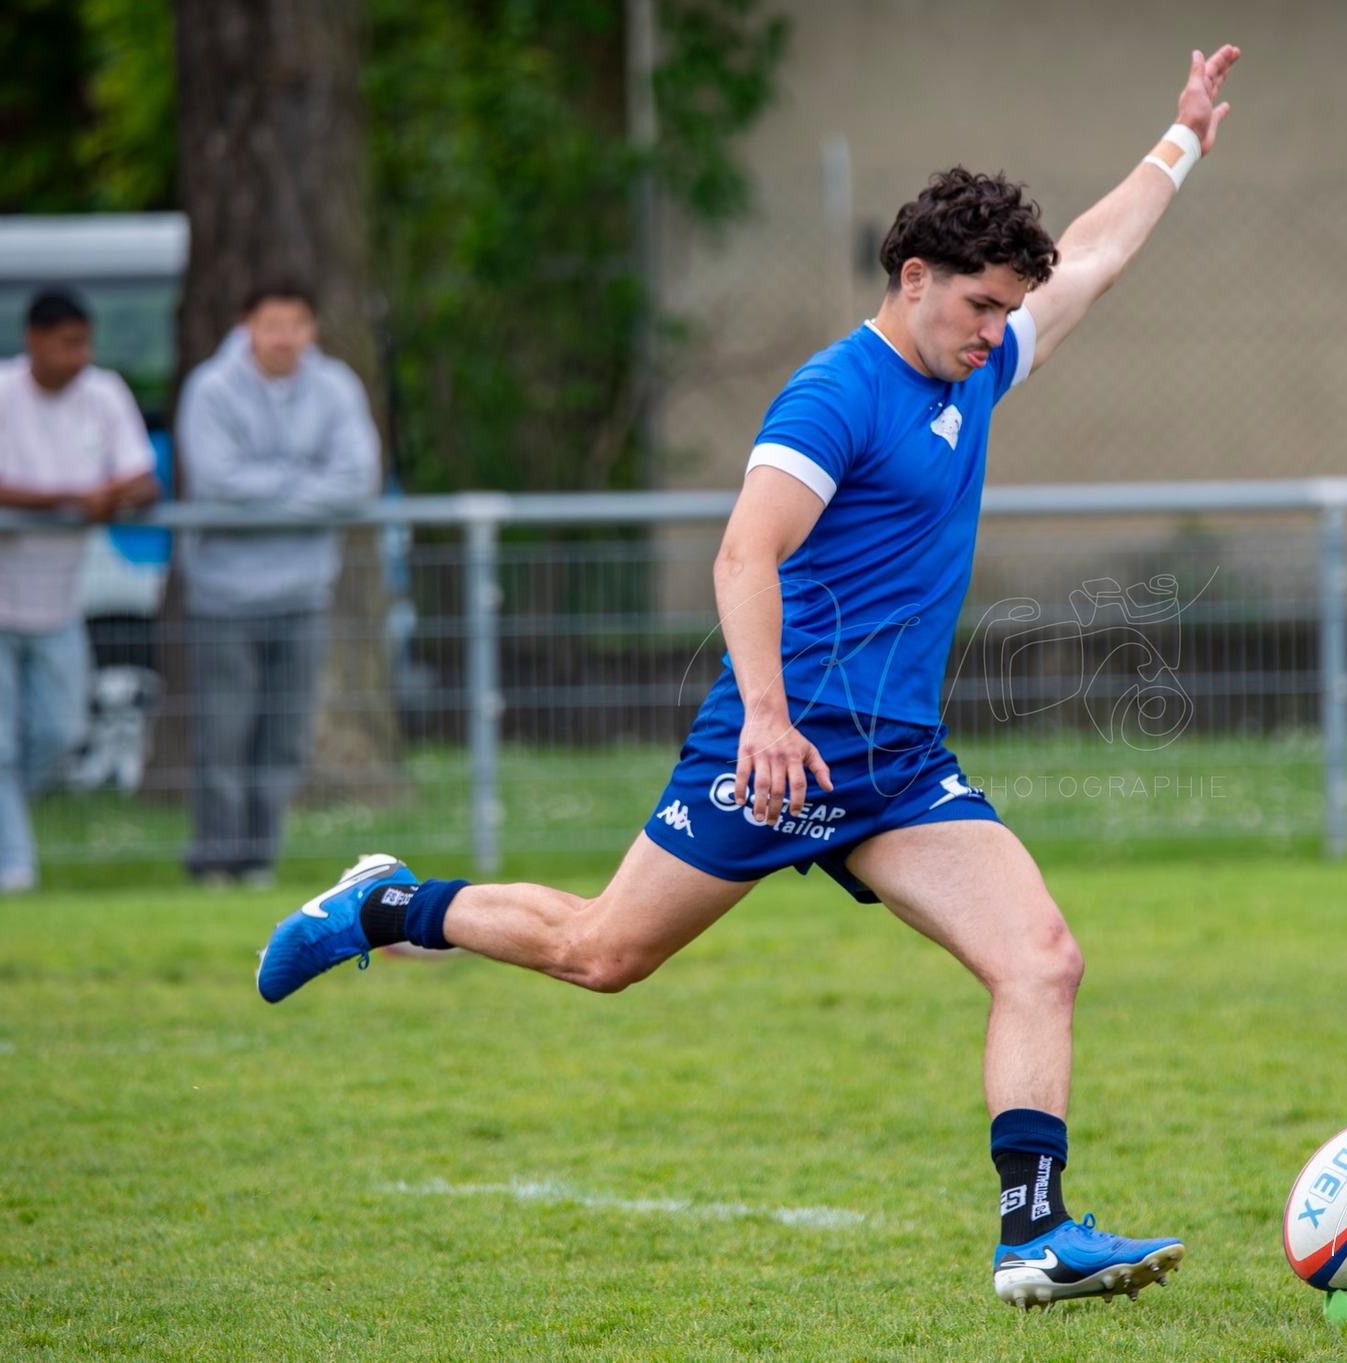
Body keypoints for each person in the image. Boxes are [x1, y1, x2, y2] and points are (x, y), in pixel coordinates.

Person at [256, 46, 1240, 1308]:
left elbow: (1094, 255)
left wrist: (1181, 142)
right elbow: (744, 551)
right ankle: (382, 908)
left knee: (1041, 957)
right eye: (977, 308)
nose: (995, 333)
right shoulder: (833, 395)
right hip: (779, 750)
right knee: (602, 953)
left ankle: (1032, 1235)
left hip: (894, 766)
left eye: (1006, 311)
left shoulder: (973, 369)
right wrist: (765, 719)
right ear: (913, 278)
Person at [0, 287, 160, 892]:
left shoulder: (104, 392)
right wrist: (73, 499)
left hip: (57, 599)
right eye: (68, 344)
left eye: (86, 342)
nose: (80, 355)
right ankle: (14, 871)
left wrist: (109, 496)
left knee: (63, 732)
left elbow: (143, 479)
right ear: (33, 340)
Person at [175, 282, 381, 887]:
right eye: (272, 323)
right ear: (246, 326)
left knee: (284, 741)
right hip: (222, 597)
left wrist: (266, 489)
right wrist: (305, 485)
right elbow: (214, 482)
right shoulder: (211, 390)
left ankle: (259, 862)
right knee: (224, 737)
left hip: (304, 594)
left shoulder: (336, 386)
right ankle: (215, 862)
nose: (284, 336)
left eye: (296, 323)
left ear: (312, 329)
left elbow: (356, 479)